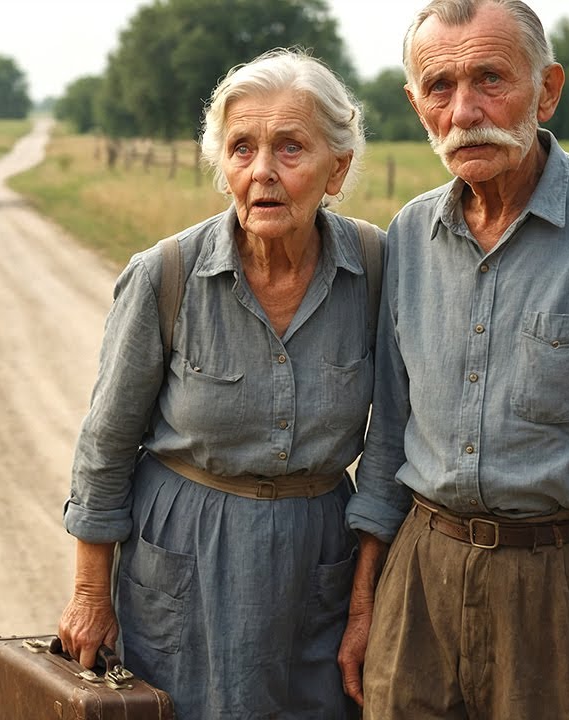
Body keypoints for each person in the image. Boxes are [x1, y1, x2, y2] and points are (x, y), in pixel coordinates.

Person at [338, 2, 569, 719]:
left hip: (566, 589)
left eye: (491, 78)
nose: (464, 111)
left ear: (547, 91)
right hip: (419, 582)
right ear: (416, 106)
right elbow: (387, 441)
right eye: (440, 87)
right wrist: (364, 610)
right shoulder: (410, 235)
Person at [57, 48, 382, 719]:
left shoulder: (377, 268)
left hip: (318, 556)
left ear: (337, 167)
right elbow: (106, 446)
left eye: (290, 147)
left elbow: (392, 442)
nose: (262, 171)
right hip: (186, 554)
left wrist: (364, 601)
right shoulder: (166, 275)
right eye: (241, 149)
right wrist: (90, 595)